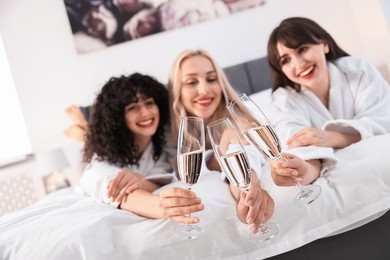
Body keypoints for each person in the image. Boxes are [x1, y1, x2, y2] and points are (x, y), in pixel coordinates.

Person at [266, 17, 390, 186]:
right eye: (286, 60)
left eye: (302, 49)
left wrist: (336, 137)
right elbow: (295, 144)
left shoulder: (359, 69)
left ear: (324, 44)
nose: (299, 64)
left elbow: (383, 118)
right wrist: (303, 170)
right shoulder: (284, 100)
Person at [167, 49, 275, 234]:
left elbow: (243, 152)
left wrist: (249, 190)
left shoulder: (239, 122)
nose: (204, 90)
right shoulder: (169, 138)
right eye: (192, 82)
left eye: (211, 79)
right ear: (177, 91)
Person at [78, 73, 205, 222]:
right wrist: (162, 207)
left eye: (149, 103)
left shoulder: (162, 145)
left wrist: (142, 182)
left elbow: (160, 177)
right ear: (117, 118)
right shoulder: (101, 161)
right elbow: (117, 192)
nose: (145, 113)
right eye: (133, 108)